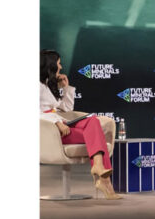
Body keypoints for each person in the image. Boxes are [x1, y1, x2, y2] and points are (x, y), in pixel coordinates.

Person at [40, 50, 121, 199]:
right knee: (98, 137)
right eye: (58, 63)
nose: (61, 67)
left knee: (93, 120)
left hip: (61, 124)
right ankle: (105, 182)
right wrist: (56, 122)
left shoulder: (48, 84)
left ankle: (99, 167)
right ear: (50, 65)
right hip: (51, 131)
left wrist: (66, 88)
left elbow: (67, 108)